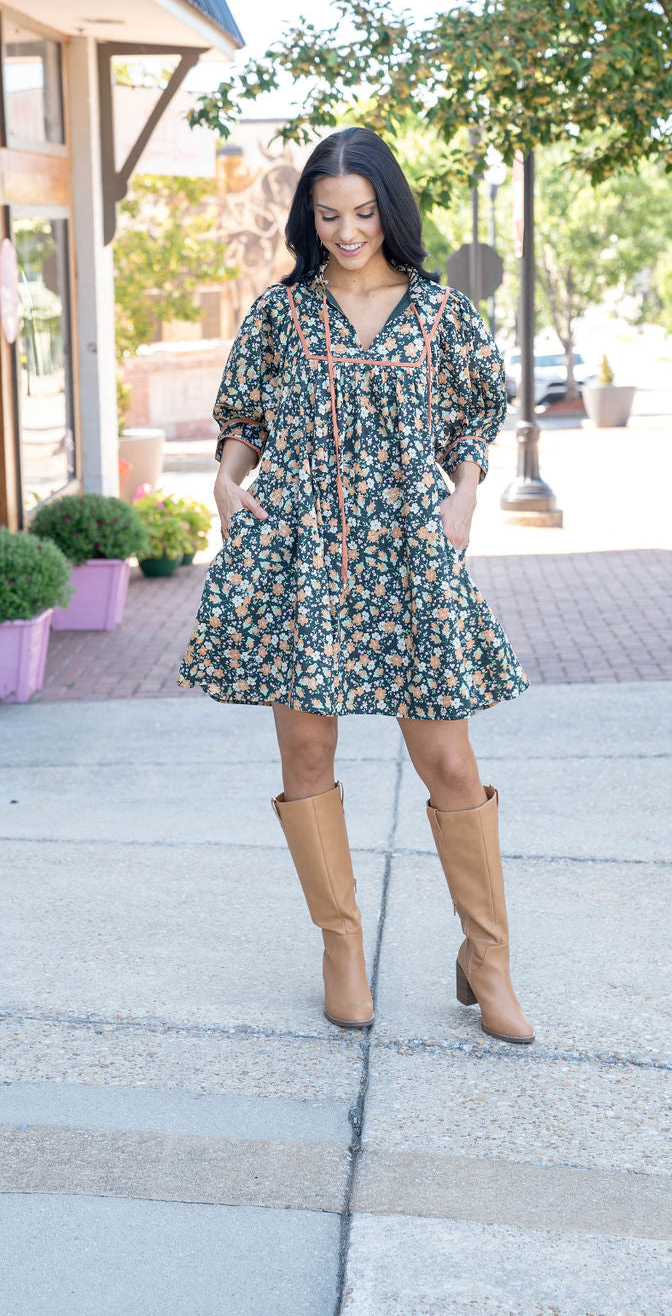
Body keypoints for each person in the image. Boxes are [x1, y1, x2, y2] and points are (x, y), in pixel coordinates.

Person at [177, 126, 533, 1044]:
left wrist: (464, 498)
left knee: (450, 762)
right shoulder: (280, 313)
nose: (346, 231)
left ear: (391, 210)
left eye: (364, 213)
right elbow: (246, 415)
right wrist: (225, 473)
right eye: (329, 215)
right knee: (305, 759)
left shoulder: (439, 312)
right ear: (309, 217)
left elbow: (472, 420)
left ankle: (486, 956)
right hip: (301, 556)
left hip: (411, 555)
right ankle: (341, 944)